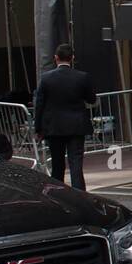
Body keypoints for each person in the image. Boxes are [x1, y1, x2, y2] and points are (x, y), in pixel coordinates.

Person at [33, 43, 96, 190]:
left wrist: (38, 128)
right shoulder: (82, 77)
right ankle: (80, 194)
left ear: (55, 58)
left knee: (57, 164)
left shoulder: (46, 78)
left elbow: (39, 105)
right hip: (76, 125)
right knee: (76, 164)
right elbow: (91, 99)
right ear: (72, 58)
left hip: (54, 127)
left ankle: (58, 194)